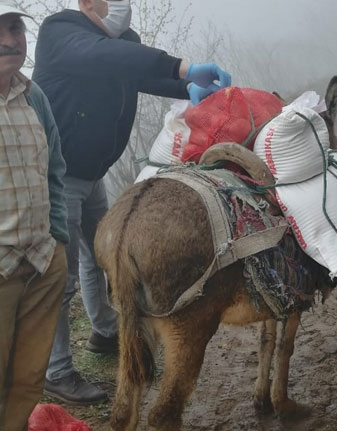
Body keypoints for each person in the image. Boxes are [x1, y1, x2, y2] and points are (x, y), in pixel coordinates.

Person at [32, 0, 232, 405]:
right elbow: (108, 56)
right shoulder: (60, 31)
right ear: (87, 3)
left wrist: (184, 88)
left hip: (93, 173)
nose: (119, 8)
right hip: (58, 177)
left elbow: (138, 70)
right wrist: (182, 66)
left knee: (101, 259)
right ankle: (57, 371)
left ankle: (105, 332)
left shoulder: (125, 41)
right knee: (62, 276)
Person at [0, 2, 70, 429]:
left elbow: (55, 170)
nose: (9, 41)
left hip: (43, 263)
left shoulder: (33, 96)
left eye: (15, 29)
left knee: (27, 381)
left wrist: (59, 238)